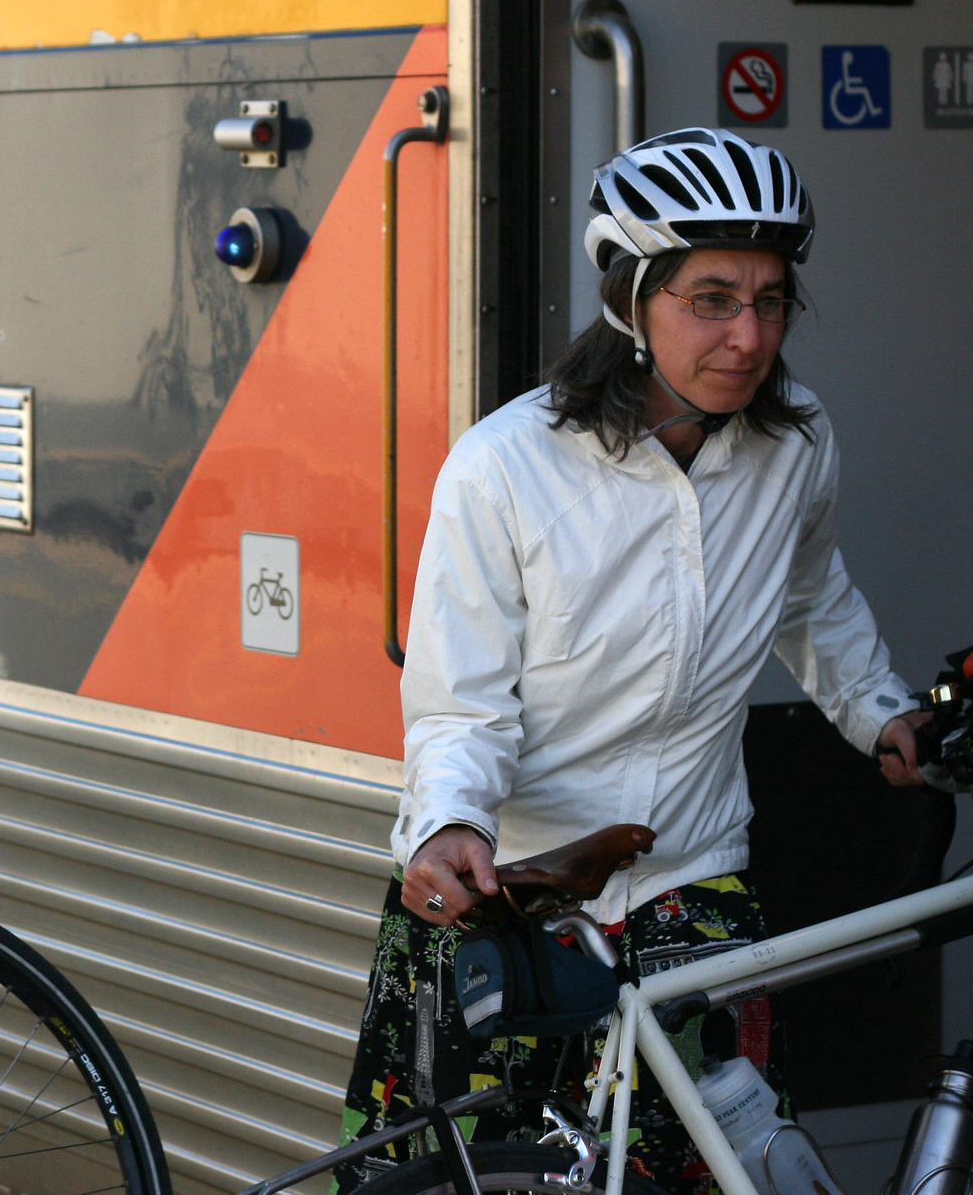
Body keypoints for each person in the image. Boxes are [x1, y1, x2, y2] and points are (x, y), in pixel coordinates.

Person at [333, 128, 927, 1195]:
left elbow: (809, 593)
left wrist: (877, 711)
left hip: (691, 889)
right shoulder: (502, 471)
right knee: (470, 1176)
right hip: (513, 897)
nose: (748, 334)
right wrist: (452, 820)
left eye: (770, 298)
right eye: (710, 297)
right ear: (628, 299)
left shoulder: (794, 447)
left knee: (722, 1177)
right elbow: (457, 704)